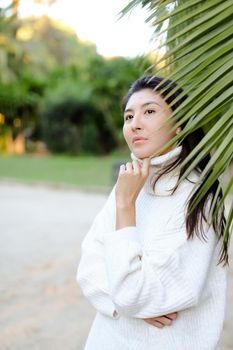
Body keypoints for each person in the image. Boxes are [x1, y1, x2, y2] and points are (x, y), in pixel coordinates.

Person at [76, 75, 228, 350]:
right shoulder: (130, 183)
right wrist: (128, 305)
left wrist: (125, 207)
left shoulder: (197, 197)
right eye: (128, 116)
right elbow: (88, 268)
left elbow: (135, 294)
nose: (135, 124)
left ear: (179, 123)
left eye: (149, 111)